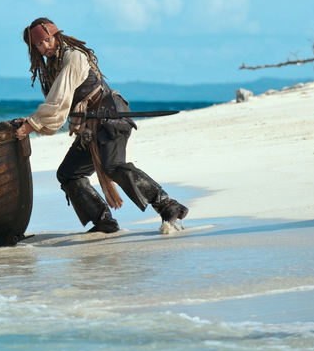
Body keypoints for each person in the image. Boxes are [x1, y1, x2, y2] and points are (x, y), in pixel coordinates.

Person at [14, 17, 188, 234]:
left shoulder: (73, 57)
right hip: (90, 129)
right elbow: (59, 103)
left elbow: (58, 101)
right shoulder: (52, 67)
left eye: (47, 40)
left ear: (56, 36)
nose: (45, 47)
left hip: (110, 119)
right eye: (39, 45)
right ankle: (104, 221)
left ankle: (169, 205)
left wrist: (32, 125)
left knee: (112, 166)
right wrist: (31, 123)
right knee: (69, 174)